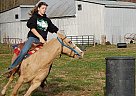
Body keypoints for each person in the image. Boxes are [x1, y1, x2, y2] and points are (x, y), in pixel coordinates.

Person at [7, 2, 59, 72]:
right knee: (24, 51)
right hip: (33, 38)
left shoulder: (47, 20)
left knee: (48, 56)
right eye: (43, 8)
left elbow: (53, 28)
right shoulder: (34, 18)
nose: (44, 10)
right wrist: (40, 37)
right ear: (38, 8)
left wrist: (59, 33)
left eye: (45, 8)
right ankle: (12, 67)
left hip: (43, 41)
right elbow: (32, 28)